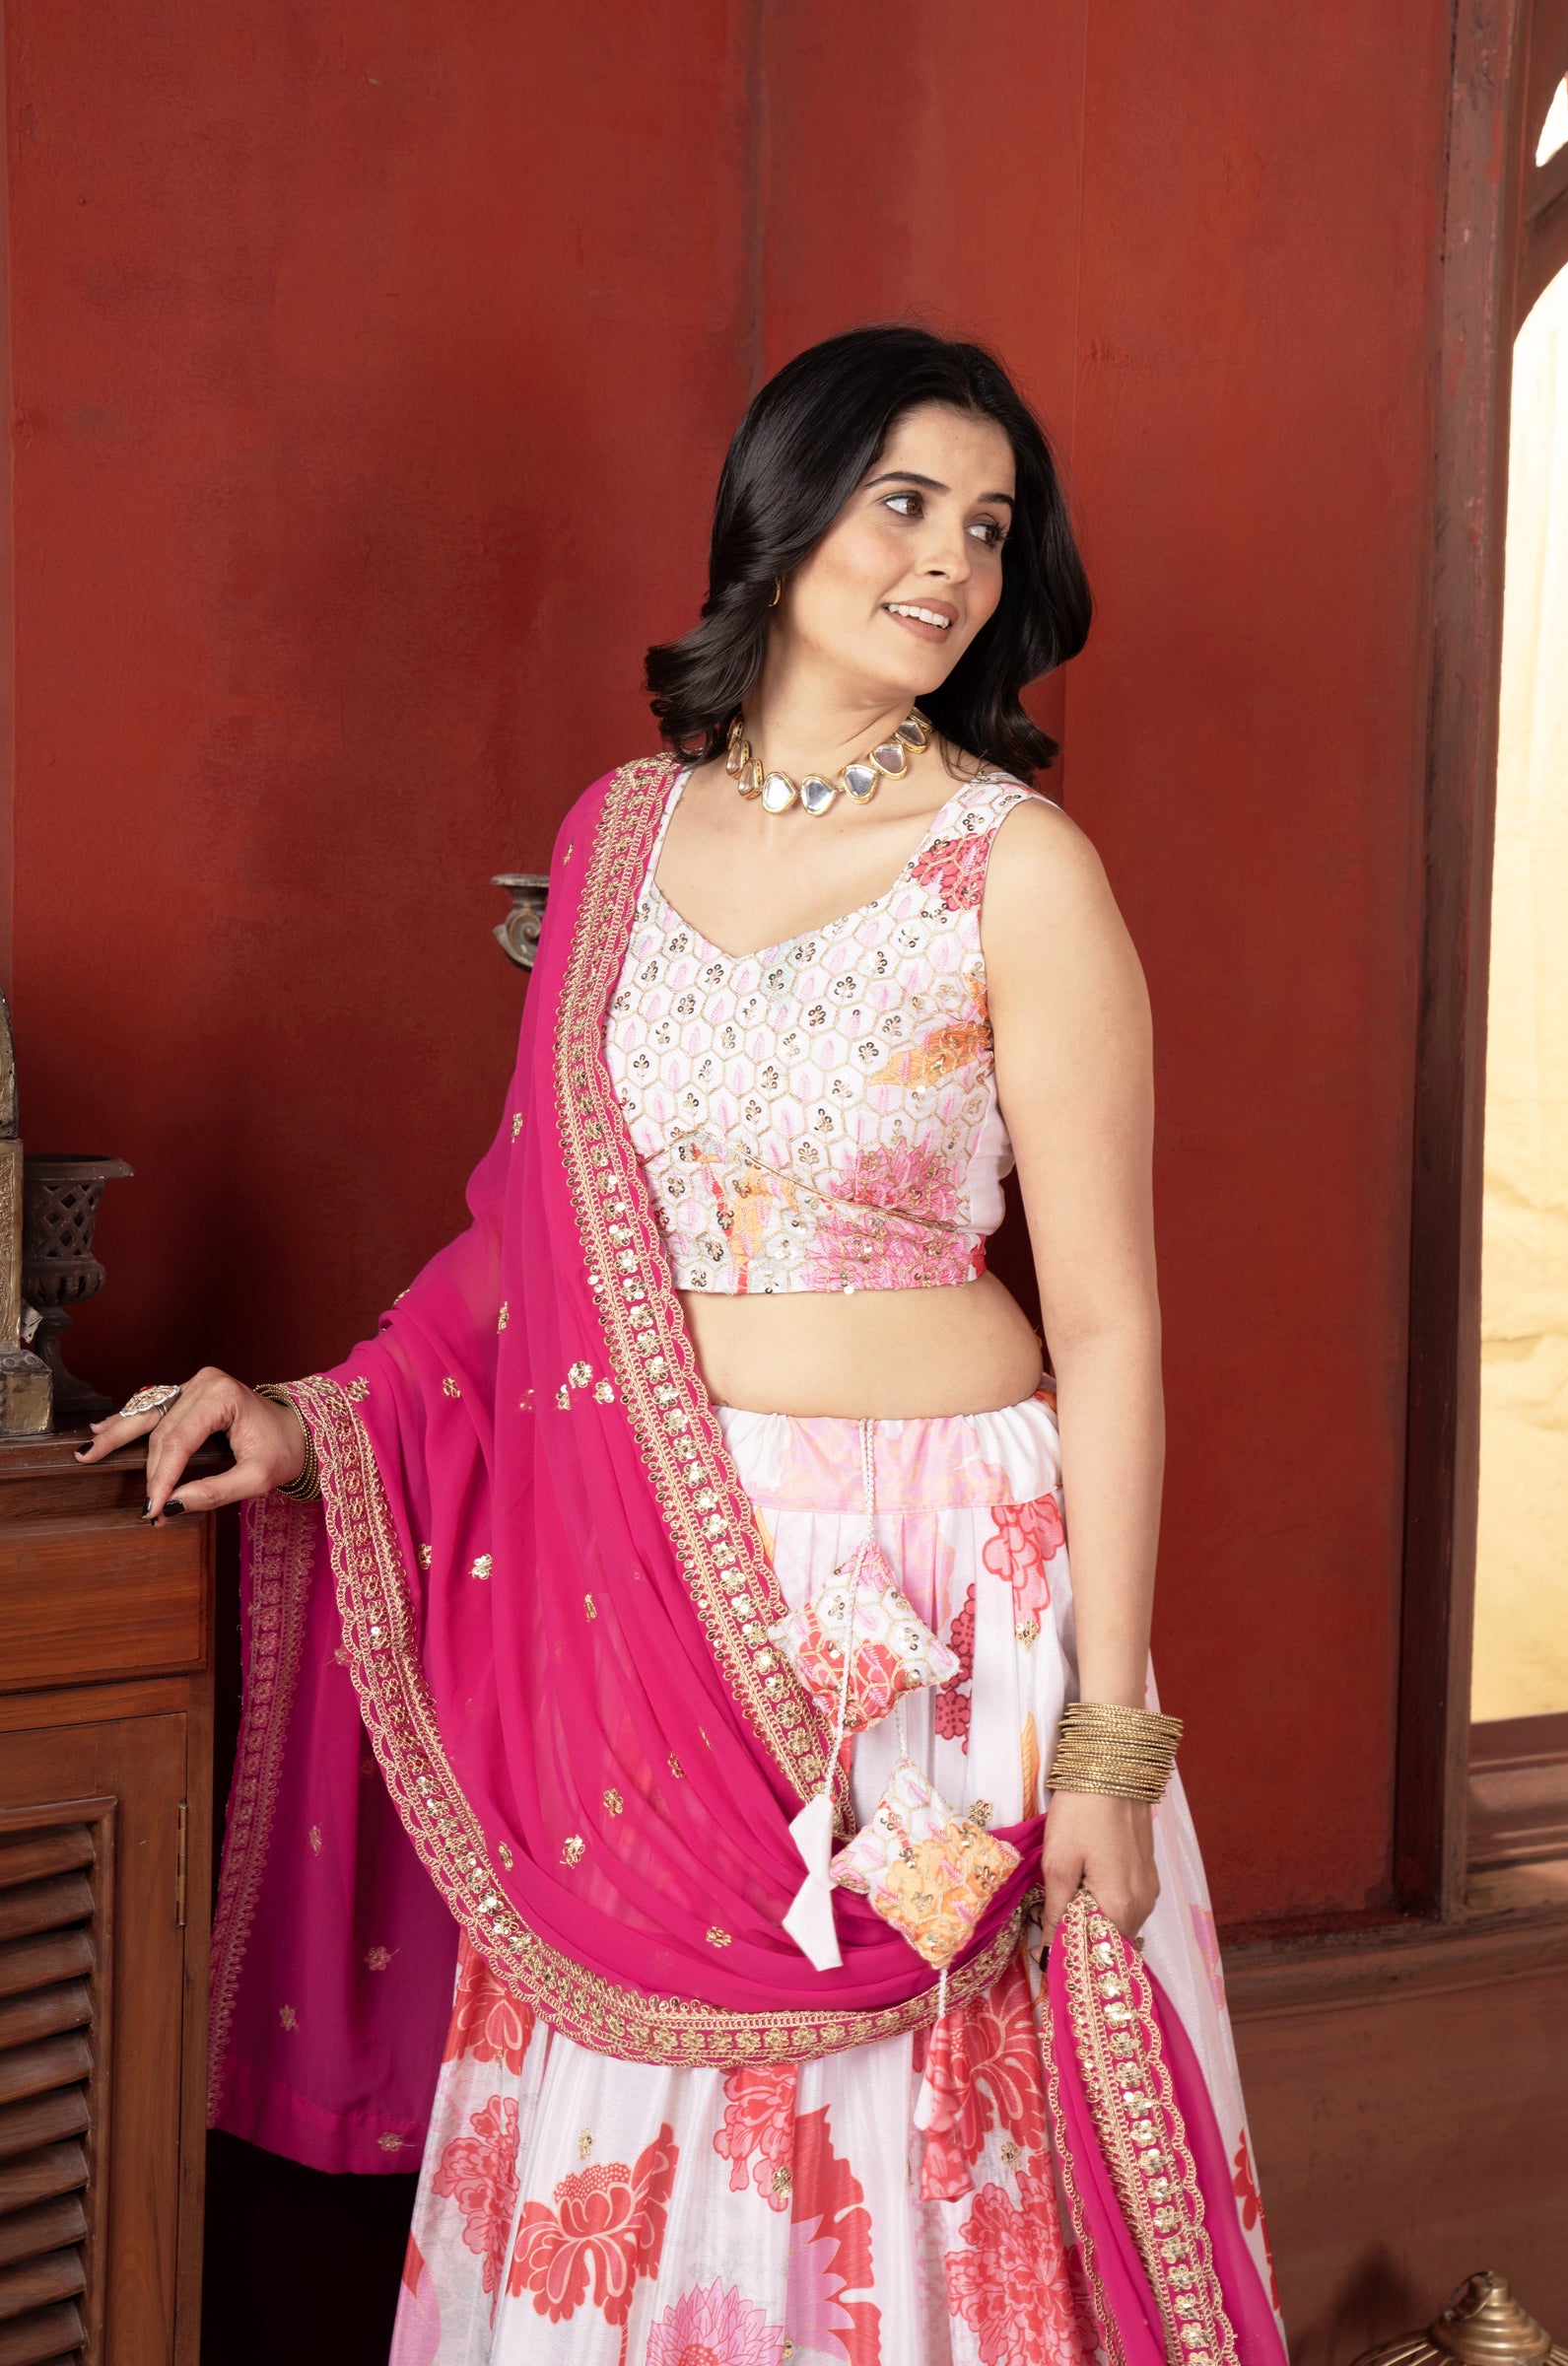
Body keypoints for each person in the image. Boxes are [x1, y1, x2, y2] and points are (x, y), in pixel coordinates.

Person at [84, 324, 1285, 2366]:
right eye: (901, 502)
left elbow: (1109, 1322)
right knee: (643, 2096)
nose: (947, 565)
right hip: (639, 1556)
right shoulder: (615, 837)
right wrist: (311, 1416)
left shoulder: (1019, 871)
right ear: (780, 511)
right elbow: (533, 1237)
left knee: (937, 2112)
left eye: (987, 528)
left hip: (940, 1592)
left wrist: (1101, 1739)